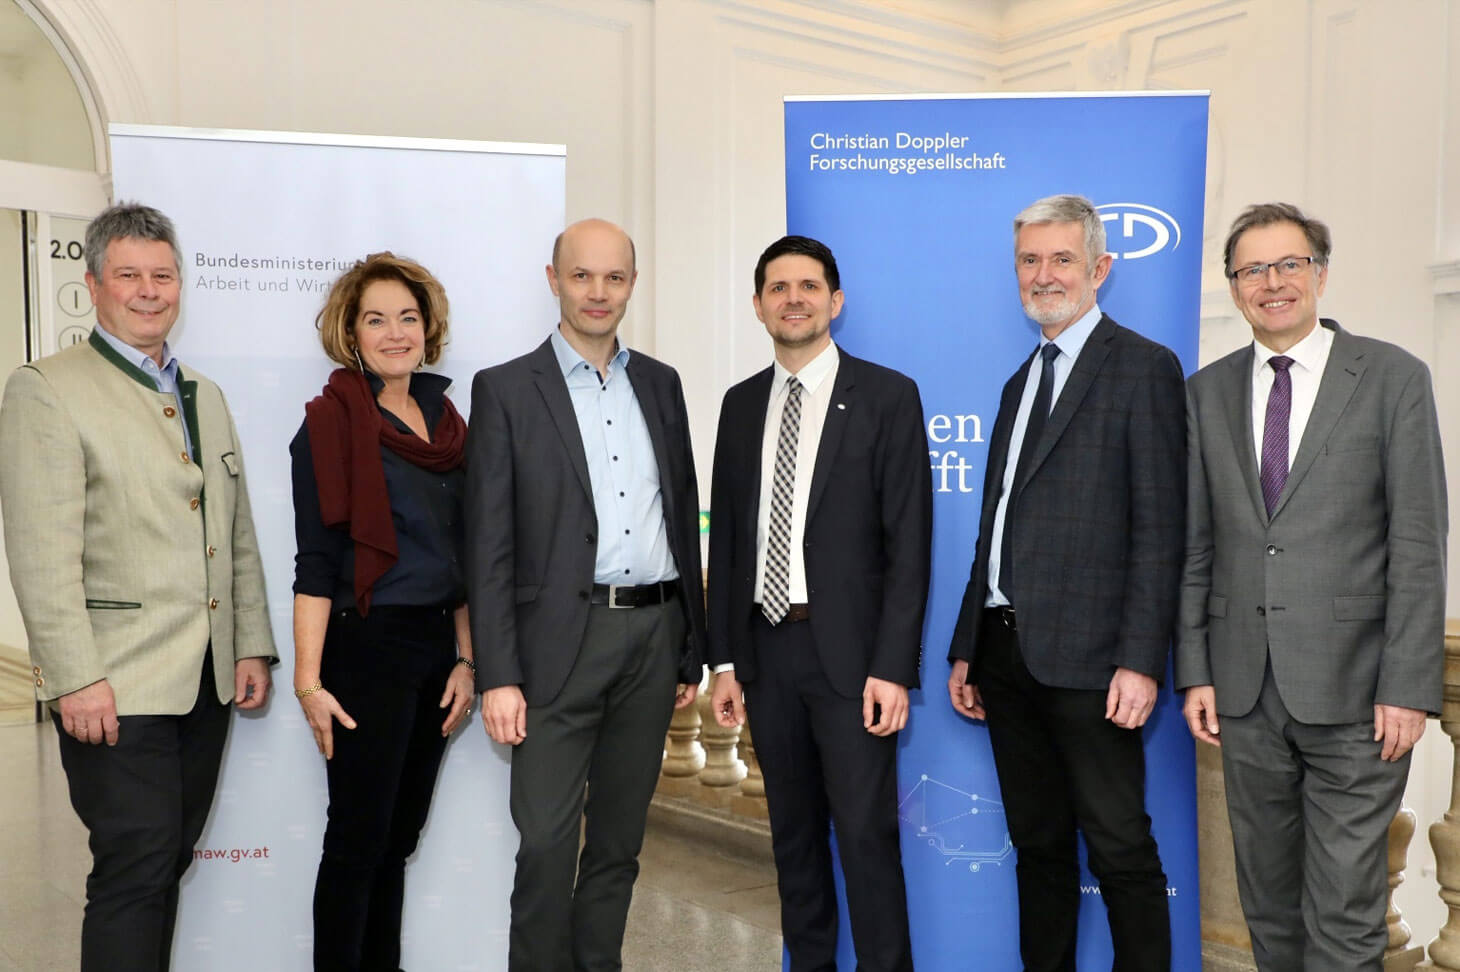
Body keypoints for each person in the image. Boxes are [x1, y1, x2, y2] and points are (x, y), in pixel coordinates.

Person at [0, 202, 276, 972]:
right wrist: (73, 677)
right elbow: (40, 551)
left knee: (166, 863)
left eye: (163, 275)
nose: (149, 290)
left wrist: (249, 641)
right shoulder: (47, 389)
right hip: (115, 683)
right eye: (129, 275)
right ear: (93, 284)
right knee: (134, 865)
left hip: (207, 683)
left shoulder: (206, 396)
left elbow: (234, 530)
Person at [1176, 202, 1447, 970]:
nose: (1272, 283)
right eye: (1252, 270)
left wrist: (1408, 684)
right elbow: (1197, 547)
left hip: (1361, 697)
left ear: (1320, 272)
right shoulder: (1205, 394)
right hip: (1244, 695)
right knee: (1268, 908)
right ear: (1233, 289)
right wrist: (1195, 668)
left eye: (1288, 264)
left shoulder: (1392, 378)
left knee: (1345, 913)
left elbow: (1420, 545)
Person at [946, 194, 1184, 971]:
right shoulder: (1021, 383)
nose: (1044, 275)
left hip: (1096, 663)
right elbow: (996, 528)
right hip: (1008, 658)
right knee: (1040, 850)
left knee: (1120, 852)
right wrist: (967, 645)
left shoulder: (1144, 367)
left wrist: (1142, 659)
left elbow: (1159, 527)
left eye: (1061, 259)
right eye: (1030, 260)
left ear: (1100, 268)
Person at [466, 217, 705, 970]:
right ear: (553, 280)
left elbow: (682, 513)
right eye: (582, 276)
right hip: (554, 649)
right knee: (543, 842)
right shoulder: (505, 390)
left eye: (614, 278)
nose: (598, 293)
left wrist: (689, 653)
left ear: (632, 284)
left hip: (653, 638)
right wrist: (499, 675)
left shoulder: (661, 385)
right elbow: (489, 546)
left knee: (619, 845)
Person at [708, 235, 931, 972]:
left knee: (867, 839)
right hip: (768, 656)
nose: (793, 298)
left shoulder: (888, 396)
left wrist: (893, 668)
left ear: (836, 301)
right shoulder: (740, 406)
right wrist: (725, 662)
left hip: (853, 662)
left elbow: (910, 546)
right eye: (778, 287)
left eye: (809, 286)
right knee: (792, 840)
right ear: (758, 305)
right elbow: (730, 546)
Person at [290, 251, 476, 971]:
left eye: (408, 317)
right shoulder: (330, 424)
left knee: (397, 841)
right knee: (358, 840)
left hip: (435, 649)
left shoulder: (447, 425)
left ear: (428, 329)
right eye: (376, 319)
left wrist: (465, 658)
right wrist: (310, 683)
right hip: (365, 649)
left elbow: (462, 557)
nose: (395, 332)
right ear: (351, 332)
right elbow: (315, 564)